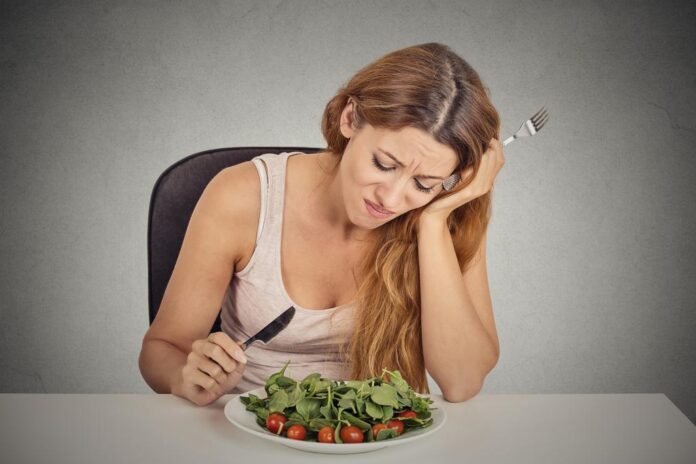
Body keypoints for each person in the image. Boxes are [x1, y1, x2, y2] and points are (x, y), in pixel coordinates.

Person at [139, 42, 504, 407]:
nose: (391, 200)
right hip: (250, 427)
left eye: (423, 183)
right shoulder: (243, 195)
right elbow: (163, 349)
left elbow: (462, 382)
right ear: (350, 119)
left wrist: (435, 221)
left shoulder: (444, 215)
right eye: (383, 164)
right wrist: (184, 374)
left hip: (378, 438)